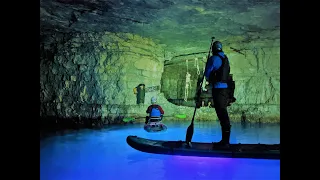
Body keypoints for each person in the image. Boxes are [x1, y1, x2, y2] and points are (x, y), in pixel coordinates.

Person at [201, 41, 234, 147]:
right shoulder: (225, 58)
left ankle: (225, 143)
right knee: (223, 113)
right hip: (226, 90)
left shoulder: (214, 58)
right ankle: (225, 141)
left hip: (218, 90)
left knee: (222, 115)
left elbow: (207, 73)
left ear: (213, 49)